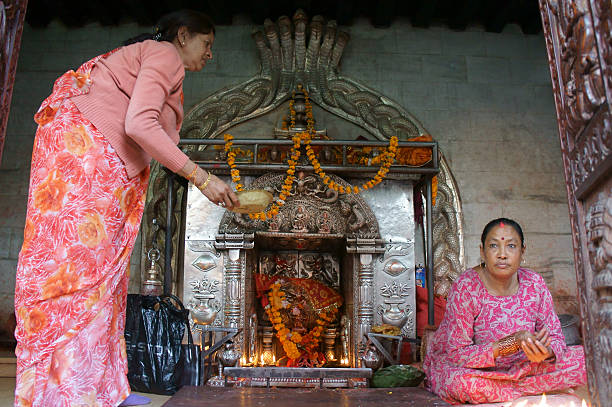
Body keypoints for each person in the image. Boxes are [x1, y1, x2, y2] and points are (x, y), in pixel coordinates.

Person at [13, 10, 240, 407]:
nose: (210, 55)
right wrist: (204, 179)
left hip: (93, 154)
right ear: (183, 35)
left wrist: (200, 177)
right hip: (85, 153)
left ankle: (107, 390)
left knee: (106, 278)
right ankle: (70, 393)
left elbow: (153, 134)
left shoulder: (158, 65)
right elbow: (139, 125)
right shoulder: (164, 53)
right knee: (80, 270)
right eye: (207, 44)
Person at [423, 218, 586, 405]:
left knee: (585, 360)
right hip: (480, 372)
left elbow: (556, 337)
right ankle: (533, 388)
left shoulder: (535, 283)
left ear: (522, 251)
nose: (502, 254)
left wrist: (546, 352)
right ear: (482, 252)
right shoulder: (466, 286)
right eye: (493, 246)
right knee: (457, 382)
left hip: (527, 367)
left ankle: (510, 389)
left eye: (511, 246)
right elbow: (457, 355)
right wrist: (509, 344)